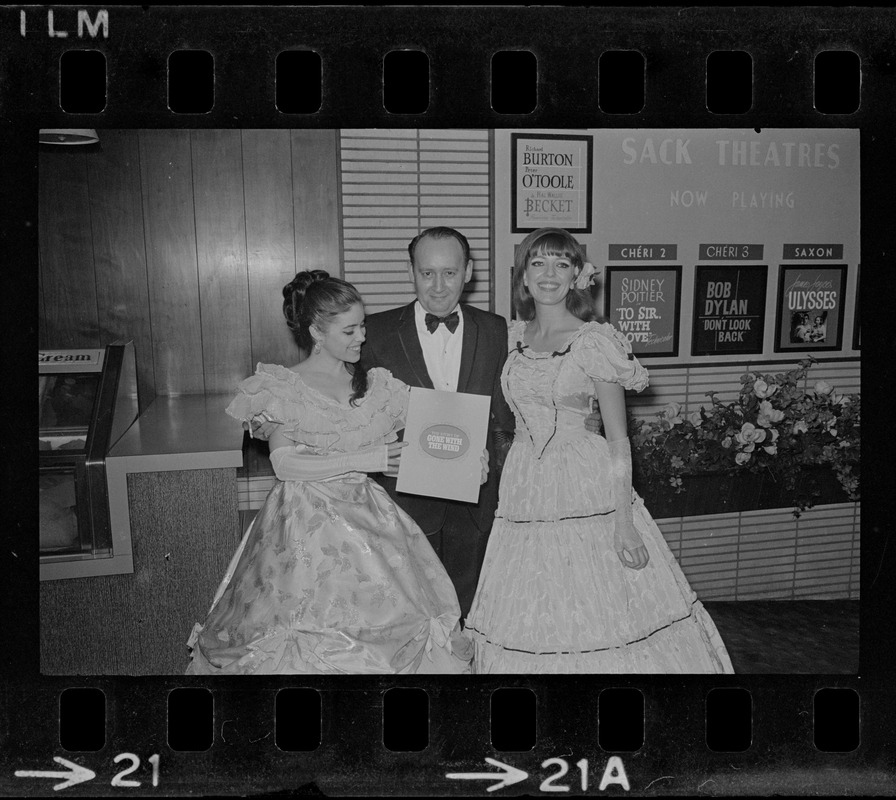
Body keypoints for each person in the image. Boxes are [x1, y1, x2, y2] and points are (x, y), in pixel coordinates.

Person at [465, 228, 734, 673]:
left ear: (576, 277)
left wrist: (624, 523)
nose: (549, 274)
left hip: (584, 482)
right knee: (532, 604)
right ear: (524, 278)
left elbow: (617, 439)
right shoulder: (509, 336)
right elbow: (498, 416)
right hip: (524, 488)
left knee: (596, 609)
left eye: (561, 264)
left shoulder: (595, 341)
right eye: (538, 263)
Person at [186, 271, 473, 674]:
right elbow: (284, 465)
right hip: (304, 525)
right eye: (350, 330)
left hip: (368, 517)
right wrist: (365, 460)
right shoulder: (285, 387)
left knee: (394, 622)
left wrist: (466, 461)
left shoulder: (375, 385)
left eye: (363, 327)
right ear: (316, 332)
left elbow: (427, 439)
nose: (362, 338)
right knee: (300, 632)